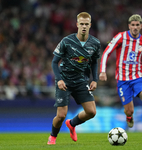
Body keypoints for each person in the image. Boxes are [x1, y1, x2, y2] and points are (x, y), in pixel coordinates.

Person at [99, 14, 142, 140]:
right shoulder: (121, 37)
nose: (135, 27)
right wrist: (103, 71)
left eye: (137, 25)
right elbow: (106, 52)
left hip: (138, 77)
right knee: (129, 111)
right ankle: (129, 117)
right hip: (123, 80)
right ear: (129, 26)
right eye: (133, 25)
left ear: (141, 26)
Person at [47, 12, 101, 145]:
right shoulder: (67, 41)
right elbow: (54, 62)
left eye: (86, 24)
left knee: (91, 112)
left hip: (81, 81)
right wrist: (59, 79)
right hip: (64, 81)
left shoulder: (95, 43)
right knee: (60, 115)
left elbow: (94, 62)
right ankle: (53, 137)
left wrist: (95, 80)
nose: (83, 26)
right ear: (77, 25)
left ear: (90, 25)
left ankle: (72, 124)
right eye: (81, 24)